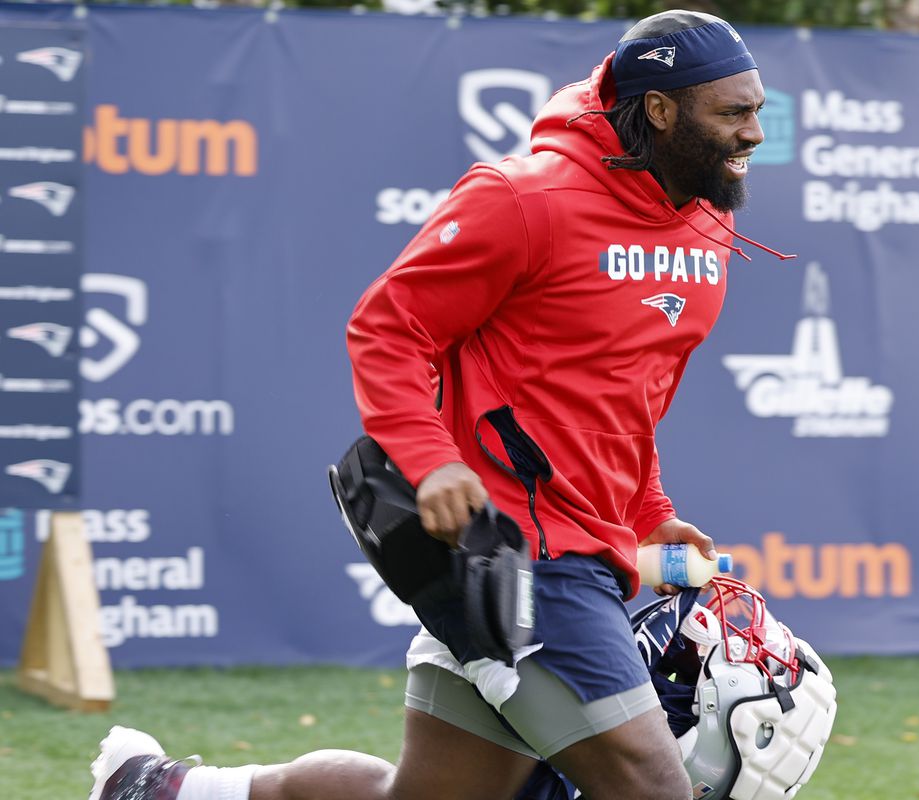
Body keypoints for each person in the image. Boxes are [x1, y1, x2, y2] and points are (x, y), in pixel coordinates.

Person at [88, 9, 791, 800]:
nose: (754, 133)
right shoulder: (523, 199)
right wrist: (432, 463)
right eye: (733, 112)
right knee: (653, 789)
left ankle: (161, 788)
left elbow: (624, 393)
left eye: (758, 109)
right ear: (660, 110)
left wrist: (649, 513)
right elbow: (388, 329)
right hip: (514, 553)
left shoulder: (705, 231)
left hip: (590, 555)